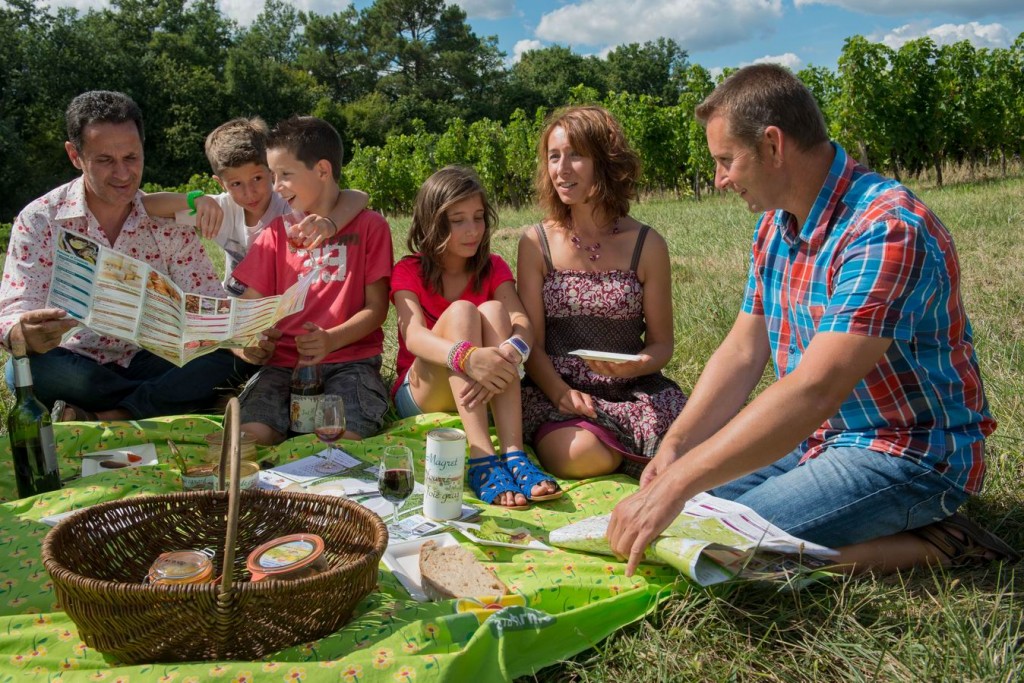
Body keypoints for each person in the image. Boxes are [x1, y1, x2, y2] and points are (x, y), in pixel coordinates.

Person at [607, 64, 1019, 576]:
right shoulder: (774, 227)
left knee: (718, 545)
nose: (719, 180)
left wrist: (679, 481)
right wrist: (676, 447)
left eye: (726, 161)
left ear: (773, 146)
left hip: (907, 454)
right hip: (820, 438)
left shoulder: (885, 228)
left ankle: (940, 543)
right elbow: (742, 351)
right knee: (685, 514)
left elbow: (814, 389)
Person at [0, 90, 270, 421]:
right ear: (75, 155)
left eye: (131, 158)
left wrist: (241, 339)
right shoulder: (40, 219)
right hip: (77, 361)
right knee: (22, 369)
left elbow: (208, 301)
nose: (123, 175)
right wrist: (23, 333)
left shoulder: (167, 218)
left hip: (154, 357)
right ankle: (162, 402)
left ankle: (107, 415)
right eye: (104, 161)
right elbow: (12, 313)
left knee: (231, 360)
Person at [517, 105, 688, 480]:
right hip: (559, 391)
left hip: (634, 389)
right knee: (578, 454)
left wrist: (639, 364)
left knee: (699, 445)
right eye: (554, 156)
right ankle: (632, 459)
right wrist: (560, 392)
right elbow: (532, 345)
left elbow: (661, 344)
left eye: (576, 155)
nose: (561, 169)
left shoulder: (647, 244)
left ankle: (640, 457)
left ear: (605, 161)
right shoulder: (536, 243)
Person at [391, 166, 561, 509]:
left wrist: (512, 352)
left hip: (484, 384)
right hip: (424, 391)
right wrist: (468, 357)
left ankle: (513, 452)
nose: (472, 230)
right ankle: (482, 456)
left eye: (479, 217)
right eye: (458, 220)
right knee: (463, 312)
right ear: (432, 223)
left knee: (496, 312)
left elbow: (519, 322)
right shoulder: (408, 269)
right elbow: (413, 337)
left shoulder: (493, 266)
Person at [232, 116, 392, 445]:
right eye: (273, 176)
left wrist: (331, 339)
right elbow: (246, 311)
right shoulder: (275, 235)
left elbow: (377, 309)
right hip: (282, 366)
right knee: (247, 439)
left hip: (350, 363)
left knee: (339, 439)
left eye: (285, 175)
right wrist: (246, 346)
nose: (276, 187)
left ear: (322, 170)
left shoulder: (370, 227)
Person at [141, 117, 370, 295]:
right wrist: (194, 199)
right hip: (238, 305)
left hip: (284, 306)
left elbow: (358, 196)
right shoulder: (220, 209)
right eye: (236, 184)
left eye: (258, 179)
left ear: (271, 171)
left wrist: (330, 224)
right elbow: (145, 205)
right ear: (221, 183)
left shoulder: (289, 206)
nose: (249, 193)